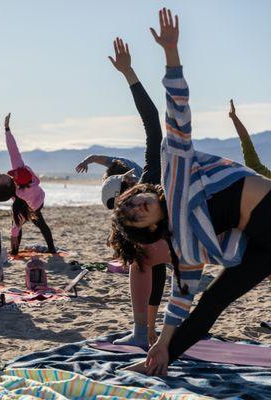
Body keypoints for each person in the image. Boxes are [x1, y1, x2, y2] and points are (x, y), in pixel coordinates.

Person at [110, 8, 271, 375]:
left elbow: (176, 112)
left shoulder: (176, 176)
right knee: (210, 303)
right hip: (262, 248)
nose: (138, 203)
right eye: (135, 213)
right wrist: (162, 341)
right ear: (149, 228)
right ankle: (156, 360)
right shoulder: (185, 245)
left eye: (133, 200)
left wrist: (170, 52)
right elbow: (180, 298)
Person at [103, 37, 169, 349]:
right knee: (143, 260)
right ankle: (145, 331)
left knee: (144, 260)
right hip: (175, 246)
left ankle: (145, 330)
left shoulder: (151, 177)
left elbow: (152, 123)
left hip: (202, 232)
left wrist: (129, 74)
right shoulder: (134, 228)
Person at [3, 113, 56, 255]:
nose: (13, 176)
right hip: (38, 203)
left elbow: (13, 151)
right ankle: (52, 249)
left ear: (18, 183)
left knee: (16, 224)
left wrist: (7, 129)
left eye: (14, 177)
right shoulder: (28, 178)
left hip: (32, 206)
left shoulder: (19, 193)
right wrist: (8, 130)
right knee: (41, 225)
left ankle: (14, 251)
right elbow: (13, 150)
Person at [229, 99, 271, 178]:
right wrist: (234, 117)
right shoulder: (263, 175)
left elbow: (246, 142)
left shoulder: (263, 176)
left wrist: (234, 117)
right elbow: (246, 143)